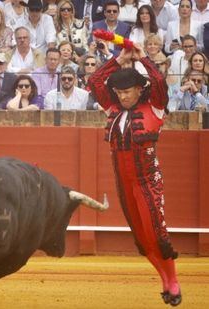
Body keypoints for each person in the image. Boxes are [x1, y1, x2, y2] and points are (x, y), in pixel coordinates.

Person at [88, 43, 182, 307]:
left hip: (148, 181)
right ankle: (164, 278)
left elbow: (160, 82)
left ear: (139, 90)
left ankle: (173, 281)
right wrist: (117, 61)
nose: (122, 97)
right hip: (124, 184)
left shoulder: (155, 107)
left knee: (156, 234)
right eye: (118, 92)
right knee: (141, 239)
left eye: (127, 92)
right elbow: (95, 81)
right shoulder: (113, 110)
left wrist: (145, 58)